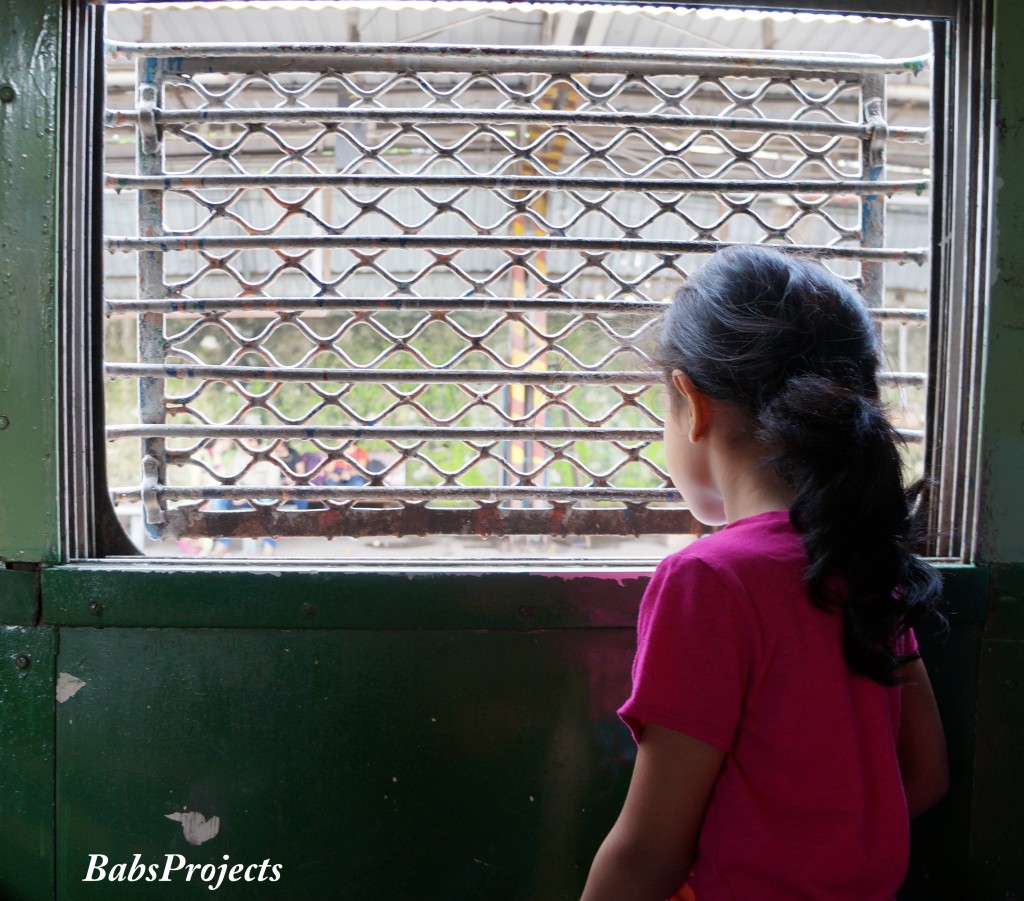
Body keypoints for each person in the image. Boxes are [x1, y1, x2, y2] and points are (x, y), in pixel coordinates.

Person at [581, 246, 949, 901]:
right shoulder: (861, 556)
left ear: (690, 403)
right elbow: (924, 777)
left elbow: (648, 851)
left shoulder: (709, 580)